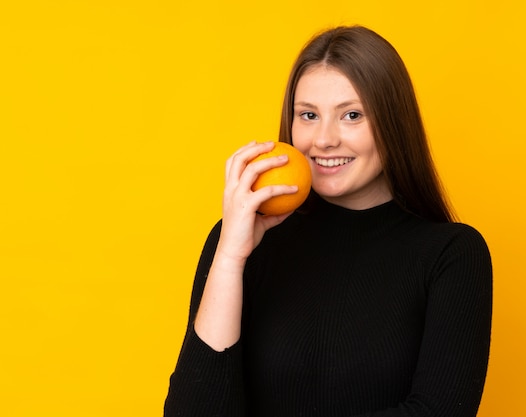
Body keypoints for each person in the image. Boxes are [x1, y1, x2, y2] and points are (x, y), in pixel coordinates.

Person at [164, 25, 492, 417]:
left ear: (393, 123)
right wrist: (231, 258)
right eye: (308, 115)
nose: (323, 139)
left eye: (351, 115)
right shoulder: (241, 243)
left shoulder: (451, 255)